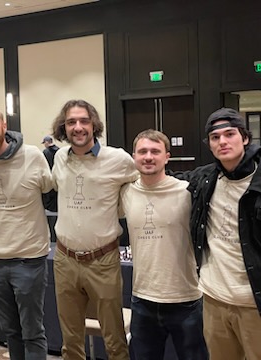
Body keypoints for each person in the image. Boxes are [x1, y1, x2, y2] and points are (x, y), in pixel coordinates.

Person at [51, 99, 137, 360]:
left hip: (103, 260)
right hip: (65, 260)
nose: (78, 127)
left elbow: (139, 186)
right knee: (70, 341)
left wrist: (118, 209)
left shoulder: (118, 159)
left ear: (94, 125)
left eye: (84, 121)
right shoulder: (59, 158)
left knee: (114, 339)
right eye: (71, 122)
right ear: (63, 128)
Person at [178, 107, 261, 360]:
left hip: (254, 304)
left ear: (245, 138)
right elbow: (169, 180)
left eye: (230, 134)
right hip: (214, 299)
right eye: (215, 137)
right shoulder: (205, 179)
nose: (223, 141)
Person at [119, 129, 207, 360]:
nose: (148, 156)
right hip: (142, 299)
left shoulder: (186, 192)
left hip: (185, 299)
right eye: (143, 151)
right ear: (134, 156)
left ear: (167, 157)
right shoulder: (126, 192)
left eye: (155, 151)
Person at [0, 105, 52, 360]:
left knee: (32, 332)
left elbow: (51, 191)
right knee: (11, 332)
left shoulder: (33, 155)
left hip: (29, 261)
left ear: (4, 126)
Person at [41, 135, 59, 212]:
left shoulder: (45, 152)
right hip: (58, 176)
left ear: (47, 142)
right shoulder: (59, 151)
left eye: (44, 143)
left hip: (49, 177)